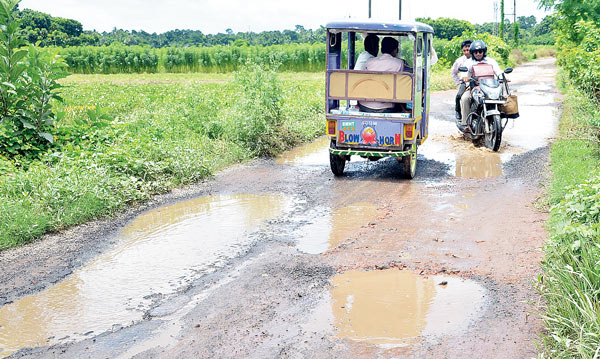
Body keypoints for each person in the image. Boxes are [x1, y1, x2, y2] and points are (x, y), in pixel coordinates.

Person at [459, 40, 503, 129]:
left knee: (502, 98)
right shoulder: (469, 62)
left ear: (484, 51)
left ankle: (498, 121)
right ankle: (466, 124)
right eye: (475, 52)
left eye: (480, 51)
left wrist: (502, 77)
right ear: (472, 52)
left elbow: (498, 71)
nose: (478, 54)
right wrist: (464, 77)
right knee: (465, 98)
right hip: (475, 88)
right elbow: (464, 72)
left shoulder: (491, 61)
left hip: (490, 88)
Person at [358, 37, 404, 113]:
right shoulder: (399, 63)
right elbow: (400, 86)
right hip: (386, 107)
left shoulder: (369, 62)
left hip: (364, 105)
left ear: (382, 48)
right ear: (395, 50)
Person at [451, 39, 472, 120]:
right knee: (459, 96)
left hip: (478, 82)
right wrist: (459, 84)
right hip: (465, 83)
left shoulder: (478, 58)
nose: (466, 52)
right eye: (464, 50)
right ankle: (458, 111)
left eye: (468, 50)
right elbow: (453, 72)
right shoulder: (460, 61)